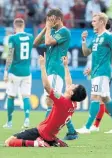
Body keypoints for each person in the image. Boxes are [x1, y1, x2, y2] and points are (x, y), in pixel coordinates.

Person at [4, 55, 87, 147]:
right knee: (49, 135)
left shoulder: (61, 101)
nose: (72, 84)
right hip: (51, 135)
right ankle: (53, 141)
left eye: (74, 86)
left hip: (41, 132)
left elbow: (47, 87)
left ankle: (37, 143)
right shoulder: (73, 104)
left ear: (71, 92)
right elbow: (68, 82)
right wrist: (66, 66)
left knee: (9, 141)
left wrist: (42, 66)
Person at [34, 8, 78, 140]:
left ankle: (44, 132)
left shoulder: (64, 31)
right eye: (48, 20)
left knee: (50, 101)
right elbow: (36, 43)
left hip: (56, 70)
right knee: (53, 102)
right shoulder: (51, 31)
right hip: (49, 69)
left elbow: (47, 42)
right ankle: (71, 131)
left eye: (50, 19)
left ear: (58, 19)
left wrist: (48, 28)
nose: (48, 22)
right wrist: (45, 28)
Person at [76, 12, 112, 134]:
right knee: (106, 98)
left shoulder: (109, 36)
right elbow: (86, 53)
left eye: (94, 21)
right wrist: (83, 40)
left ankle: (87, 127)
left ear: (102, 22)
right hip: (96, 72)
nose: (92, 23)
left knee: (95, 97)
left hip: (103, 73)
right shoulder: (96, 37)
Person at [3, 18, 34, 129]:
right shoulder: (30, 37)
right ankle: (26, 119)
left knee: (11, 96)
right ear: (24, 25)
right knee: (26, 96)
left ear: (14, 26)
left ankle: (10, 122)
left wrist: (6, 71)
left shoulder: (12, 38)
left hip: (15, 72)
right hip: (26, 71)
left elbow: (10, 55)